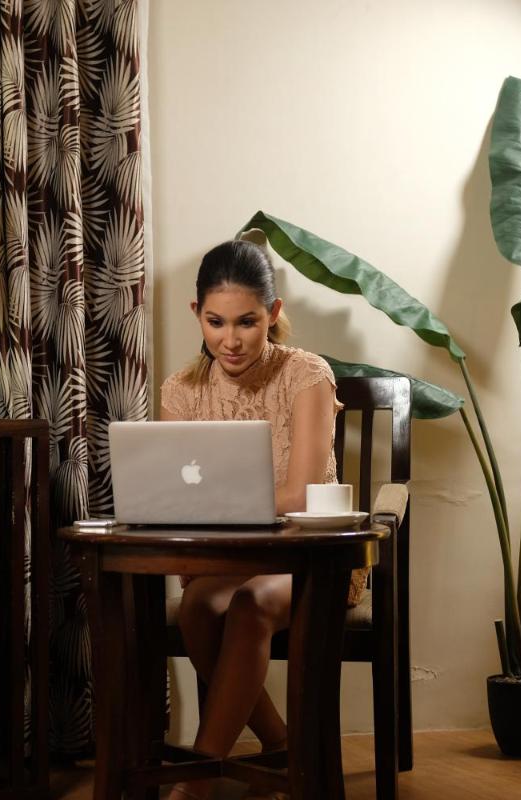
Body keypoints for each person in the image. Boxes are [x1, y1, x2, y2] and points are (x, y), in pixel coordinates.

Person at [159, 239, 364, 800]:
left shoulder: (307, 375)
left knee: (249, 605)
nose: (231, 340)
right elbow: (174, 496)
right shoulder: (181, 392)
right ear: (196, 313)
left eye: (247, 322)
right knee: (198, 608)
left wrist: (211, 510)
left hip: (314, 558)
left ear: (273, 313)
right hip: (230, 559)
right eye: (216, 322)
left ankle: (196, 782)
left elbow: (299, 495)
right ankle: (282, 748)